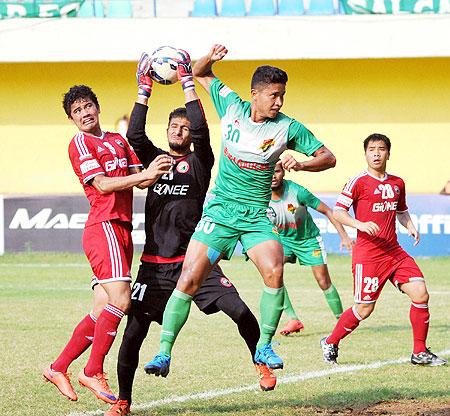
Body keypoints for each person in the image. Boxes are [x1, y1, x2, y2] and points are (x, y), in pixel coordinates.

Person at [144, 44, 336, 379]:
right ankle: (163, 353)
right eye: (273, 95)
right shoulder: (231, 104)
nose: (278, 102)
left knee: (274, 272)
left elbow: (329, 157)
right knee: (188, 279)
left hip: (255, 216)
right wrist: (209, 58)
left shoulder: (288, 128)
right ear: (255, 94)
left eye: (282, 96)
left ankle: (264, 345)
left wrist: (302, 164)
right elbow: (199, 72)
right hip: (219, 212)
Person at [105, 51, 273, 416]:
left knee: (240, 312)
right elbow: (134, 134)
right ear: (167, 133)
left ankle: (259, 360)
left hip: (196, 260)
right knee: (133, 334)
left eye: (184, 129)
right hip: (153, 268)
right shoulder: (154, 160)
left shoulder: (200, 162)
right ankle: (124, 400)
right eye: (174, 128)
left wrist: (186, 85)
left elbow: (201, 129)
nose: (180, 132)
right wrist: (143, 91)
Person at [43, 85, 172, 404]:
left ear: (97, 108)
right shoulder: (81, 142)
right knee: (122, 300)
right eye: (77, 111)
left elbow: (141, 179)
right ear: (73, 119)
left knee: (103, 309)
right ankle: (92, 370)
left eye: (88, 106)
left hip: (123, 230)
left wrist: (163, 168)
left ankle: (58, 367)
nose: (84, 113)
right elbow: (101, 184)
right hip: (104, 227)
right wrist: (144, 175)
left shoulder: (117, 139)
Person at [320, 133, 447, 366]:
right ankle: (330, 341)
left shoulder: (397, 183)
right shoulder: (358, 181)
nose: (376, 153)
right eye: (371, 149)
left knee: (420, 292)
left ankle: (419, 352)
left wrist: (411, 226)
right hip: (368, 255)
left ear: (389, 153)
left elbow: (401, 210)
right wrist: (359, 224)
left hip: (394, 251)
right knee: (364, 309)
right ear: (365, 153)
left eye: (381, 149)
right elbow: (338, 212)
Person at [268, 162, 354, 335]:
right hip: (283, 240)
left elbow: (328, 211)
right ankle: (293, 319)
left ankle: (342, 321)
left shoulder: (297, 192)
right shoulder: (259, 195)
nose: (273, 176)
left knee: (323, 281)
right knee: (271, 274)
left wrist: (344, 236)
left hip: (308, 240)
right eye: (269, 171)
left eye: (276, 171)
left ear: (283, 172)